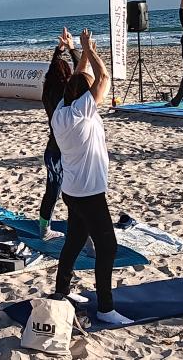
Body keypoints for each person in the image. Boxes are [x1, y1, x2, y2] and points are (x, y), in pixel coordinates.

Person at [49, 28, 132, 326]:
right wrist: (90, 49)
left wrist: (79, 52)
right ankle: (106, 309)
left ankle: (61, 293)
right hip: (88, 193)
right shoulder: (81, 112)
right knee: (107, 247)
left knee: (74, 241)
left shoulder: (61, 111)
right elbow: (104, 77)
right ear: (85, 96)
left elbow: (78, 78)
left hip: (73, 191)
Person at [40, 27, 80, 240]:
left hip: (51, 150)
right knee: (75, 194)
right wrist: (72, 49)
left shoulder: (47, 92)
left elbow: (52, 70)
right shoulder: (67, 95)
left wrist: (59, 50)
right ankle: (82, 235)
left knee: (52, 191)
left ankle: (44, 230)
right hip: (67, 152)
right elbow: (82, 73)